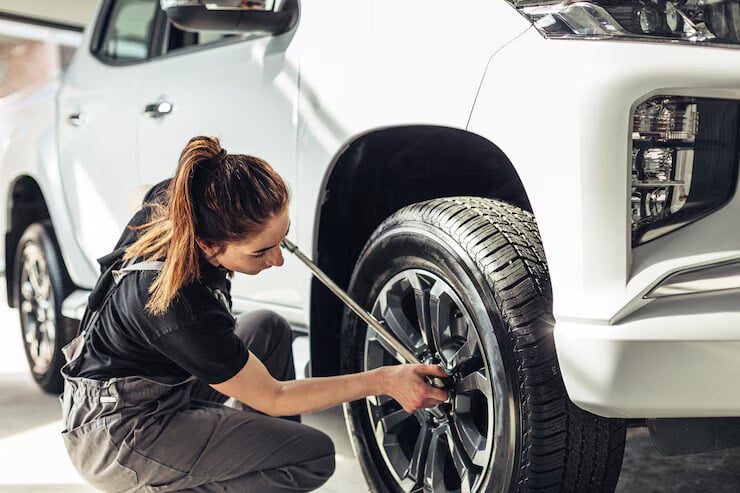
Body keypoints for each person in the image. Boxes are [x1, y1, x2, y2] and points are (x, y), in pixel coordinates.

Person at [59, 135, 450, 492]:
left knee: (268, 328)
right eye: (261, 251)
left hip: (158, 386)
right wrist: (385, 380)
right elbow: (275, 397)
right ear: (208, 245)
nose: (278, 259)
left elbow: (142, 195)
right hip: (121, 434)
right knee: (312, 455)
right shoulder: (178, 304)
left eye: (282, 238)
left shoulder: (181, 199)